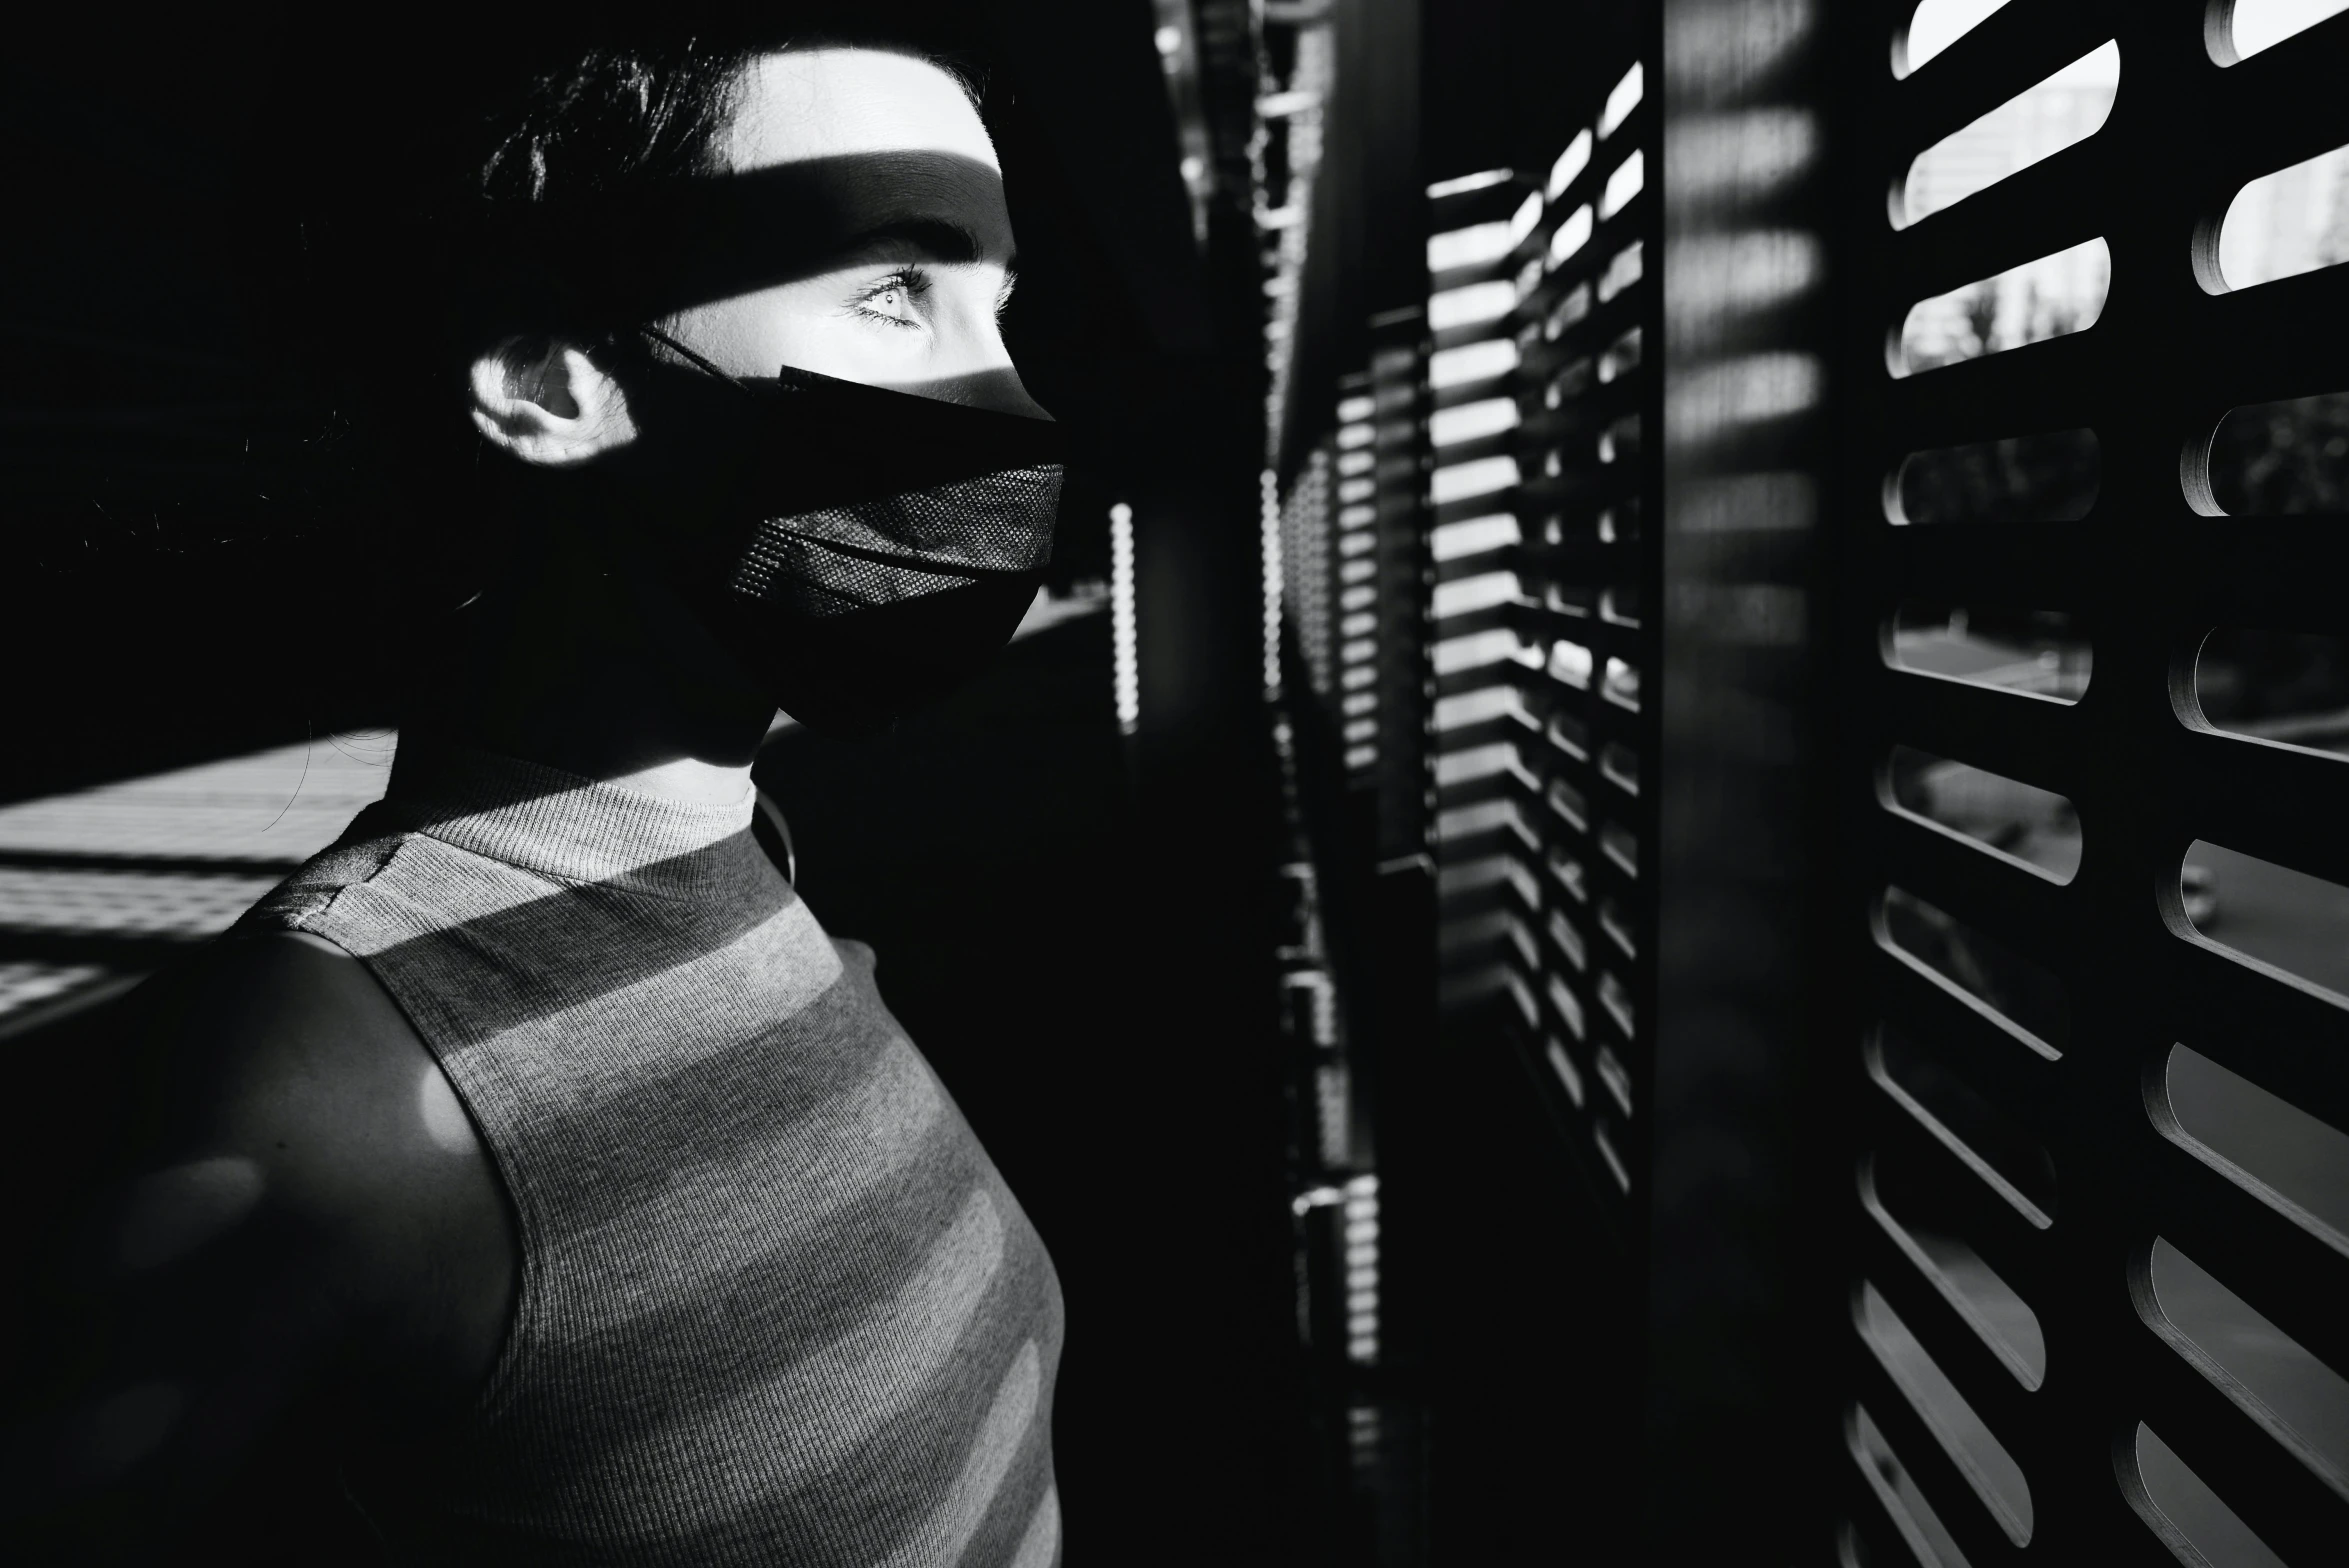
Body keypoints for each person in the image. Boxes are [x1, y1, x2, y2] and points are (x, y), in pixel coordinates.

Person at [1, 14, 1067, 1564]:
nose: (1010, 403)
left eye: (1001, 304)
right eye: (899, 289)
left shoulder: (745, 860)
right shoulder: (326, 1102)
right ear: (549, 385)